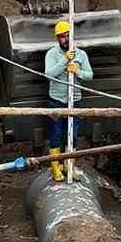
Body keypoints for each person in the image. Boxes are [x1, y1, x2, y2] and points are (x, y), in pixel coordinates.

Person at [44, 19, 93, 183]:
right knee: (56, 134)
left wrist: (78, 71)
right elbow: (49, 74)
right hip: (56, 100)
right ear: (57, 39)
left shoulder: (81, 55)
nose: (65, 39)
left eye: (67, 35)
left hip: (75, 101)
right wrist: (64, 60)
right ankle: (56, 168)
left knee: (72, 136)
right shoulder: (51, 54)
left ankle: (69, 165)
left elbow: (89, 75)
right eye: (62, 37)